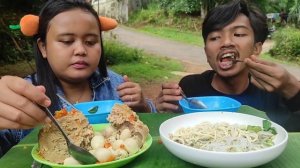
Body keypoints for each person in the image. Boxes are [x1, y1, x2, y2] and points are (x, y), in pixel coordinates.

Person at [0, 0, 154, 157]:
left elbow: (151, 131)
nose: (80, 50)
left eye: (90, 42)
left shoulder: (117, 85)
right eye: (67, 41)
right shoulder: (20, 98)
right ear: (43, 47)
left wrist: (143, 106)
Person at [155, 0, 300, 131]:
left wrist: (293, 89)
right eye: (215, 37)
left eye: (238, 34)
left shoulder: (272, 91)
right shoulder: (190, 89)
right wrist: (163, 111)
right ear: (207, 52)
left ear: (256, 48)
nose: (225, 43)